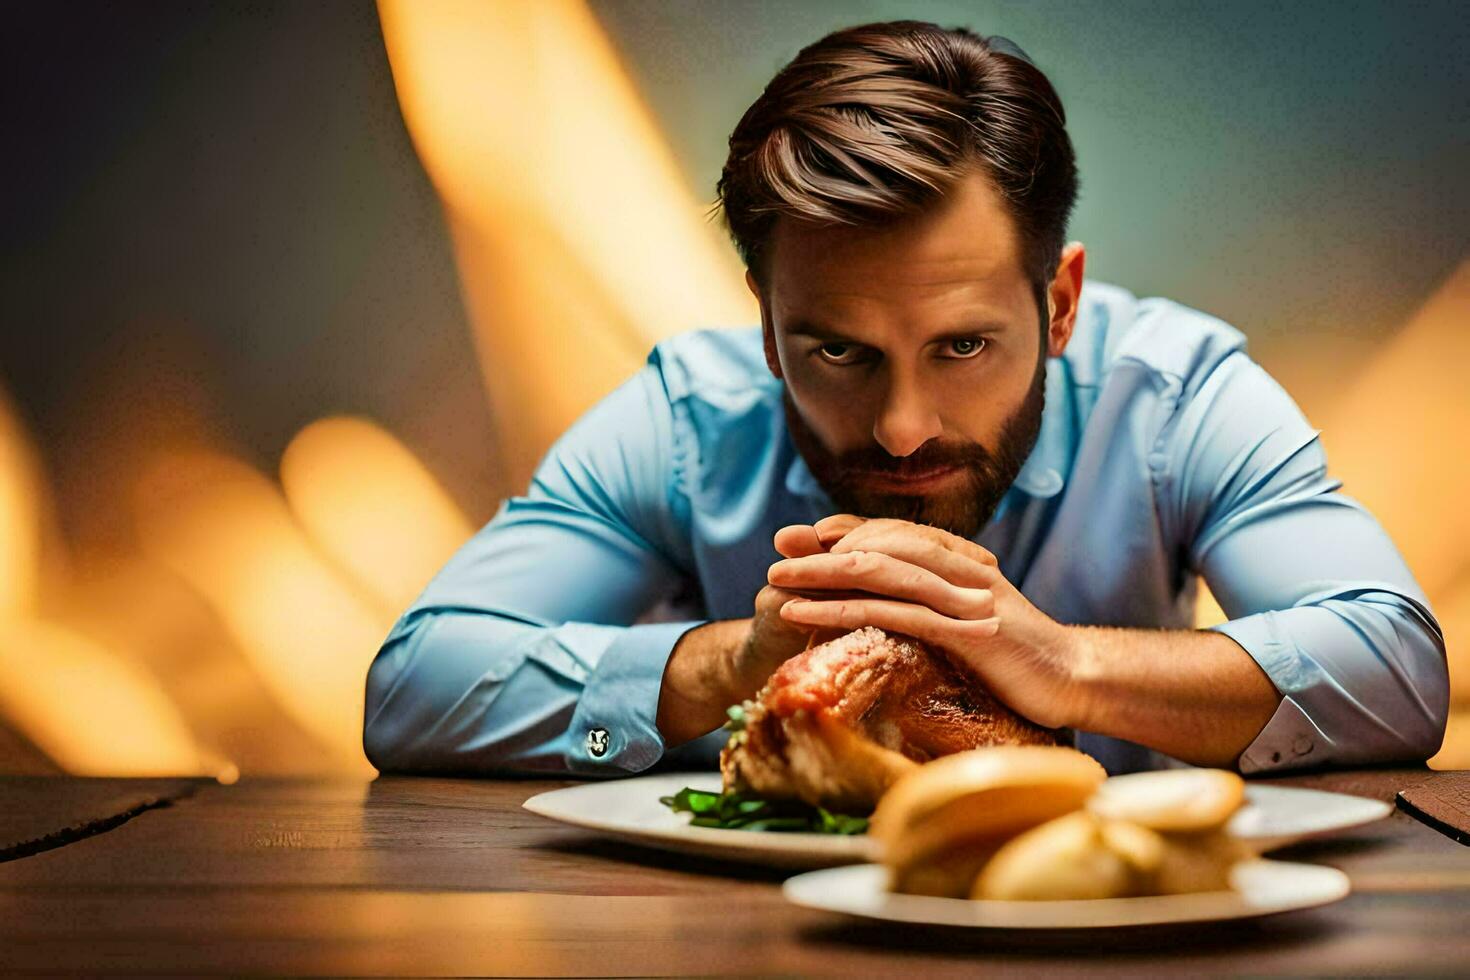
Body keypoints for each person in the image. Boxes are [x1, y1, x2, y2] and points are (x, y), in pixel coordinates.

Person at [362, 20, 1447, 778]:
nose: (903, 425)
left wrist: (1066, 661)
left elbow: (1395, 670)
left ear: (1060, 302)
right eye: (837, 350)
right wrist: (731, 661)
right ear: (764, 315)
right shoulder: (688, 416)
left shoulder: (1174, 393)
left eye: (963, 343)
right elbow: (415, 684)